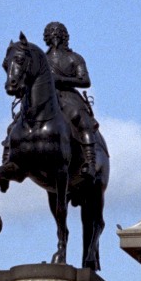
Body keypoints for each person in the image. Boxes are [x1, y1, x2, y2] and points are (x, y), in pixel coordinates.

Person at [43, 22, 100, 177]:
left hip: (69, 96)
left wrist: (61, 79)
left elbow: (85, 81)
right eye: (51, 33)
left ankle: (90, 163)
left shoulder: (74, 58)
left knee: (82, 120)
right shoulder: (42, 59)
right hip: (48, 96)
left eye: (58, 33)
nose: (54, 35)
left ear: (64, 36)